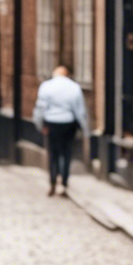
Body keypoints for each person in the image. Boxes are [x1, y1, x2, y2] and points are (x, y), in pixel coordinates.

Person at [32, 65, 88, 197]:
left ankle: (52, 182)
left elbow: (40, 108)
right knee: (66, 153)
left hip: (51, 123)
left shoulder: (46, 86)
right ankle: (64, 183)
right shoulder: (74, 87)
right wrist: (85, 129)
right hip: (68, 123)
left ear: (54, 74)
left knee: (53, 154)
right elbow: (80, 110)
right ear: (66, 75)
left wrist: (40, 125)